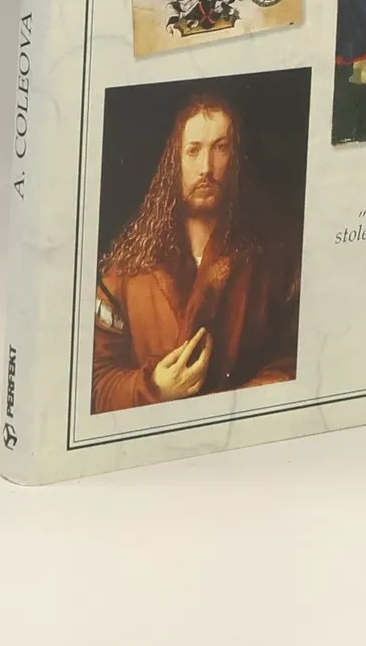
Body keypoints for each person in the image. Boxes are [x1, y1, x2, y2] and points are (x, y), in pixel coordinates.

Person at [92, 94, 299, 410]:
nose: (206, 168)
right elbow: (96, 383)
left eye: (220, 148)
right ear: (174, 161)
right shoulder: (123, 272)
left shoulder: (272, 260)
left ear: (236, 158)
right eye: (193, 151)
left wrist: (231, 406)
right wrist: (154, 387)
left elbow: (294, 358)